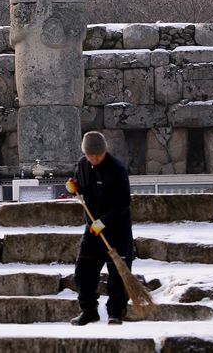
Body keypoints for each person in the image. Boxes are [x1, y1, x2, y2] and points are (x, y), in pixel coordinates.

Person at [66, 131, 133, 326]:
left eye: (98, 155)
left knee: (118, 274)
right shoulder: (82, 165)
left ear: (105, 151)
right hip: (93, 229)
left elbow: (123, 202)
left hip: (117, 229)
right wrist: (74, 186)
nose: (94, 158)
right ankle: (88, 311)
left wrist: (104, 221)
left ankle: (115, 313)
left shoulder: (117, 169)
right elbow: (79, 184)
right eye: (90, 155)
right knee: (83, 271)